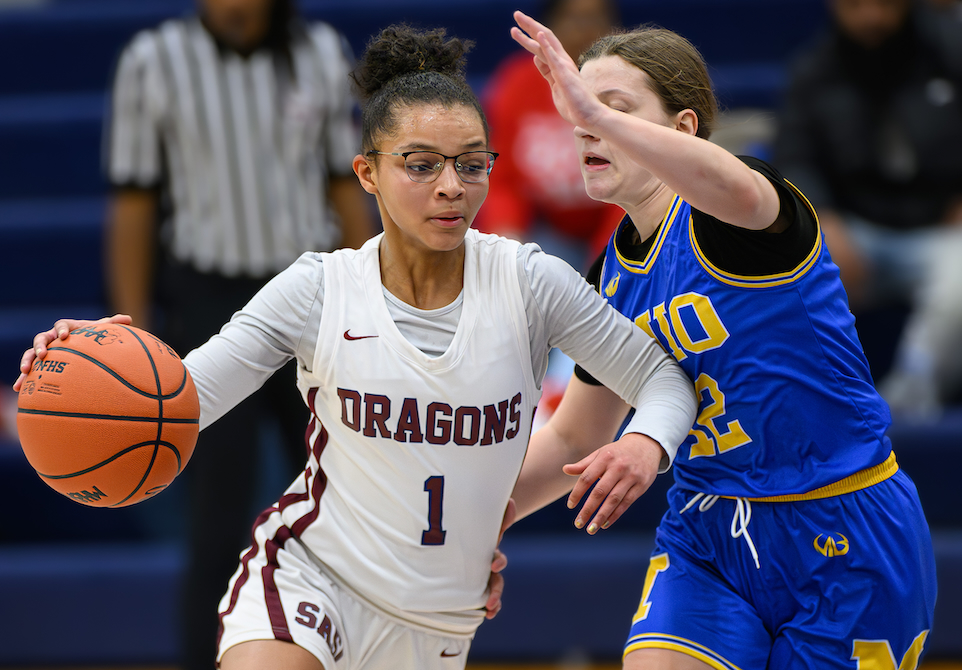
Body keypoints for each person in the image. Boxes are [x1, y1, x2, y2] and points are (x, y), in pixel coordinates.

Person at [19, 24, 698, 670]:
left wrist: (647, 443)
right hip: (312, 575)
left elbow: (661, 380)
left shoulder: (532, 282)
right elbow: (184, 399)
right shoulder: (317, 288)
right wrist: (86, 369)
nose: (450, 187)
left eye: (471, 164)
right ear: (366, 173)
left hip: (438, 614)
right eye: (421, 164)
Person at [508, 10, 937, 669]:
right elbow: (575, 435)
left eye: (612, 107)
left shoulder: (738, 213)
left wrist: (598, 111)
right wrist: (479, 522)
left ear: (683, 128)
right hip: (708, 527)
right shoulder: (611, 276)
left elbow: (729, 184)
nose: (586, 126)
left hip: (843, 523)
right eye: (578, 113)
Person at [103, 1, 377, 667]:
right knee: (217, 519)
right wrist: (133, 332)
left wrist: (373, 311)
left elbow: (347, 187)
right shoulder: (153, 60)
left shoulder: (318, 51)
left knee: (351, 503)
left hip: (311, 297)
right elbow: (133, 202)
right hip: (209, 301)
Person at [770, 0, 962, 419]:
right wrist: (821, 216)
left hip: (957, 227)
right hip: (860, 228)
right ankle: (809, 409)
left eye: (884, 4)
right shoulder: (813, 70)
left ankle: (906, 411)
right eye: (857, 5)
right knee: (788, 263)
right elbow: (795, 156)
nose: (872, 17)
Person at [475, 0, 622, 272]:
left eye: (596, 21)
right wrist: (505, 245)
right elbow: (503, 178)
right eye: (574, 21)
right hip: (552, 233)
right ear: (549, 28)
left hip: (623, 227)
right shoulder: (517, 83)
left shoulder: (626, 86)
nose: (585, 33)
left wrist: (607, 261)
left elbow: (638, 184)